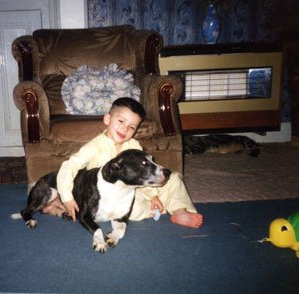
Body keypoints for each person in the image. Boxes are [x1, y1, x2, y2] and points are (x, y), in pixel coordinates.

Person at [56, 97, 203, 228]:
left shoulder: (134, 146)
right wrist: (67, 198)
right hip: (115, 198)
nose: (125, 129)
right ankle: (158, 208)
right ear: (107, 119)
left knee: (174, 178)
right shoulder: (93, 147)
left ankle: (180, 211)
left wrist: (154, 195)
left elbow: (147, 172)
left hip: (140, 186)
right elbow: (70, 166)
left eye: (132, 127)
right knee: (132, 208)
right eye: (121, 121)